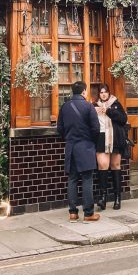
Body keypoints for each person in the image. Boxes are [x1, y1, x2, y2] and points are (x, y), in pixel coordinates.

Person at [57, 80, 101, 222]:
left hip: (71, 147)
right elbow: (96, 129)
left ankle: (73, 213)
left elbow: (60, 129)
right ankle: (88, 214)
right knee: (87, 179)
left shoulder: (64, 107)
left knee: (72, 179)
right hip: (86, 146)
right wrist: (90, 141)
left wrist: (69, 138)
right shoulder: (88, 107)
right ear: (83, 92)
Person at [94, 83, 128, 210]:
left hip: (115, 138)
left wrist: (108, 111)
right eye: (101, 92)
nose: (103, 94)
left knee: (115, 166)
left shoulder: (115, 103)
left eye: (105, 92)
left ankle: (117, 198)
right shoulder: (94, 105)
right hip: (101, 137)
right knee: (102, 165)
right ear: (99, 94)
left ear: (109, 93)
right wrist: (94, 112)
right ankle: (102, 198)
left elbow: (123, 119)